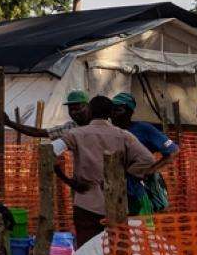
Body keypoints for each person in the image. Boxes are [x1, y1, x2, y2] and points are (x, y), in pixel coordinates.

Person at [54, 95, 157, 245]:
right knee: (117, 249)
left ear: (89, 111)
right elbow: (147, 159)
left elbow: (49, 151)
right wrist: (126, 175)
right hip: (117, 203)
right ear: (111, 113)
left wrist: (68, 181)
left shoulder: (76, 134)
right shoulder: (124, 135)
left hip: (85, 202)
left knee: (87, 248)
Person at [109, 92, 178, 214]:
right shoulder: (107, 131)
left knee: (141, 228)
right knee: (118, 229)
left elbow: (173, 151)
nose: (113, 114)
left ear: (130, 112)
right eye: (111, 109)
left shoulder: (143, 129)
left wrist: (151, 170)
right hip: (114, 191)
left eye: (118, 110)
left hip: (138, 191)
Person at [0, 89, 92, 139]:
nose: (74, 113)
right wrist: (9, 123)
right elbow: (38, 132)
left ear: (88, 106)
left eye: (77, 109)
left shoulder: (101, 124)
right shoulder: (70, 128)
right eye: (71, 110)